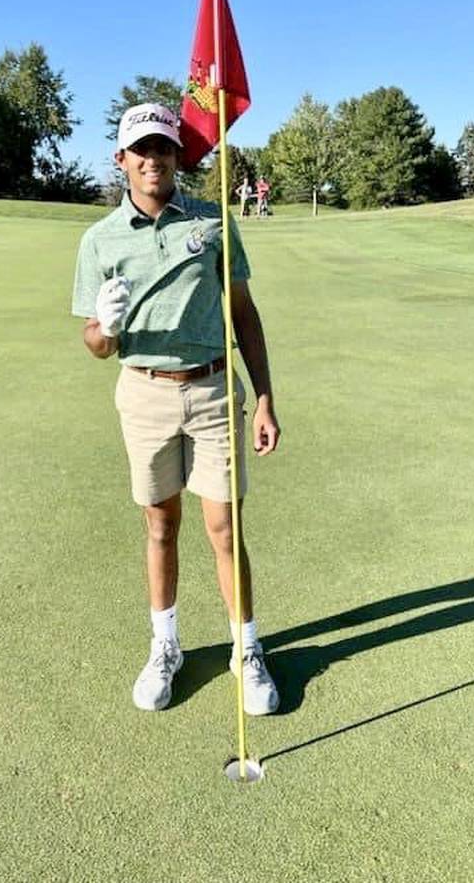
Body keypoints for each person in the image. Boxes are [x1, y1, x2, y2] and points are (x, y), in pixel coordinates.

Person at [71, 103, 282, 715]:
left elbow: (243, 312)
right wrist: (103, 329)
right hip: (143, 391)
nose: (153, 159)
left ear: (177, 155)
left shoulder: (212, 221)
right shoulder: (99, 241)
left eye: (163, 147)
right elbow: (94, 342)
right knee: (161, 525)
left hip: (215, 389)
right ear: (122, 160)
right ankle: (166, 646)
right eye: (141, 150)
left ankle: (248, 649)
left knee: (225, 528)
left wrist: (264, 394)